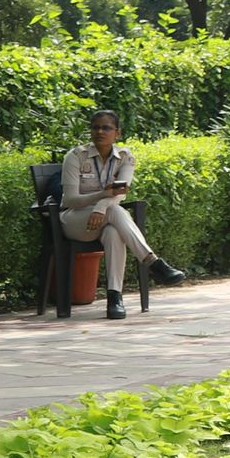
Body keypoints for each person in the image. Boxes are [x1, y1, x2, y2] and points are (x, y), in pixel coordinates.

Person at [60, 107, 188, 317]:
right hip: (75, 220)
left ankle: (114, 299)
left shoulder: (125, 157)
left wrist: (101, 207)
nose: (100, 132)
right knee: (115, 211)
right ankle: (152, 263)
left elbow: (120, 193)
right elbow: (70, 200)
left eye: (106, 128)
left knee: (113, 231)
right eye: (95, 128)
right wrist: (102, 195)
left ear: (117, 133)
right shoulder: (75, 156)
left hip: (104, 219)